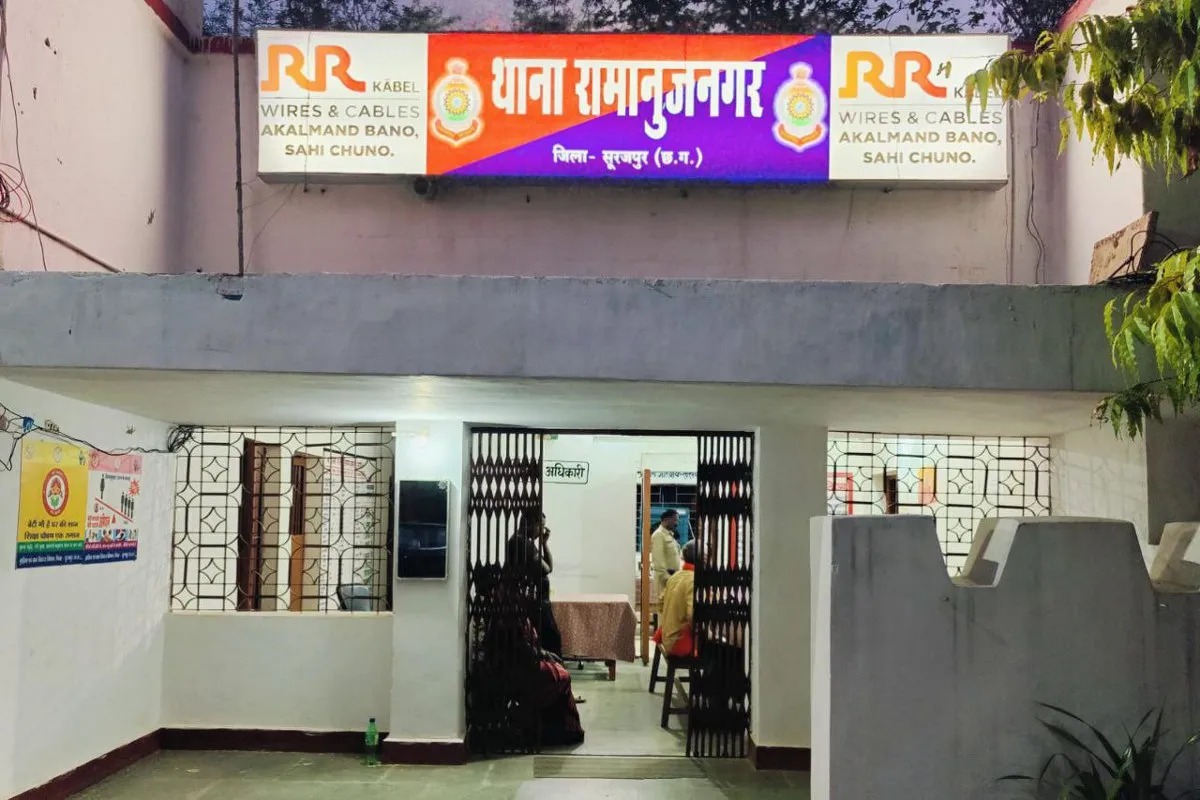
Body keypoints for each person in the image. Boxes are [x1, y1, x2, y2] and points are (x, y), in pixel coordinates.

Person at [505, 513, 564, 659]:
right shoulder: (523, 543)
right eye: (542, 526)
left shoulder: (522, 541)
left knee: (549, 639)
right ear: (532, 524)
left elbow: (548, 568)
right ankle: (553, 676)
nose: (543, 530)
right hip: (535, 605)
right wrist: (543, 545)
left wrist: (543, 544)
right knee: (552, 640)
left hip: (537, 602)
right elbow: (547, 569)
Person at [654, 540, 696, 658]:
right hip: (678, 641)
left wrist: (672, 619)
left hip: (666, 634)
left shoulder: (675, 576)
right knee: (719, 649)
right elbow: (691, 615)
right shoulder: (693, 580)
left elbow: (661, 602)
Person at [650, 510, 683, 611]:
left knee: (672, 612)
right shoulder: (659, 535)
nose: (676, 523)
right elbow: (658, 562)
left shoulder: (669, 535)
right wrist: (668, 580)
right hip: (666, 582)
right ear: (666, 520)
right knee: (665, 611)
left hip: (673, 581)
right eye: (674, 520)